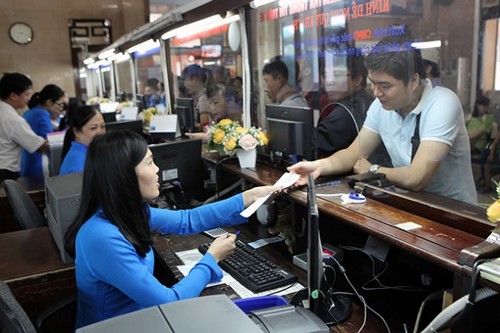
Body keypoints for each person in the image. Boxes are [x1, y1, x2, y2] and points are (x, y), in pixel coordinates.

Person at [63, 130, 276, 328]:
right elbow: (169, 302)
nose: (157, 170)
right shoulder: (102, 237)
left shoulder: (124, 213)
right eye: (149, 162)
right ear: (124, 175)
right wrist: (211, 258)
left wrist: (249, 197)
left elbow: (187, 219)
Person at [288, 36, 476, 205]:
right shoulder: (382, 106)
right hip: (411, 203)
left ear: (413, 81)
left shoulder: (442, 103)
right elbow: (353, 153)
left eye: (385, 85)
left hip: (455, 213)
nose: (376, 93)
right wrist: (318, 166)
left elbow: (417, 177)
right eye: (373, 83)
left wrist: (374, 169)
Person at [0, 72, 47, 182]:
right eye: (26, 95)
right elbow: (38, 146)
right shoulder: (13, 120)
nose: (29, 99)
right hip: (5, 174)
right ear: (13, 96)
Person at [20, 84, 66, 177]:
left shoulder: (28, 112)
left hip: (26, 162)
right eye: (59, 104)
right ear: (49, 102)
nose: (60, 108)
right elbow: (48, 142)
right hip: (39, 164)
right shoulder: (42, 113)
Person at [59, 105, 105, 175]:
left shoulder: (88, 152)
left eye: (102, 126)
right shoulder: (79, 164)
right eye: (93, 128)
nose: (100, 132)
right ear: (77, 132)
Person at [467, 95, 494, 191]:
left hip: (478, 144)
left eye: (487, 106)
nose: (487, 108)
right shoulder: (471, 117)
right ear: (478, 105)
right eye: (484, 106)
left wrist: (466, 138)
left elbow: (482, 131)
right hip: (467, 141)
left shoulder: (489, 118)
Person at [181, 64, 213, 129]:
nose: (185, 85)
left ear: (194, 79)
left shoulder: (203, 99)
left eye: (185, 80)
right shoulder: (198, 97)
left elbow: (204, 127)